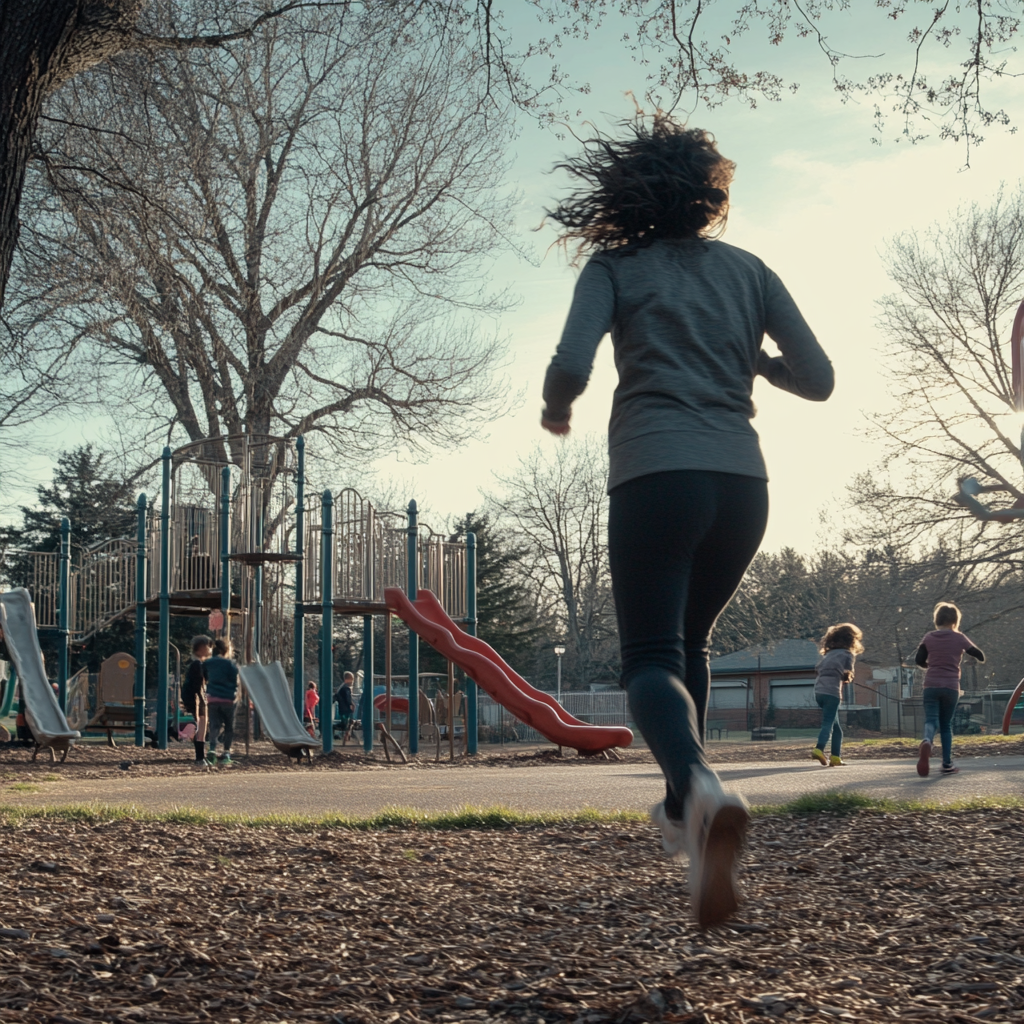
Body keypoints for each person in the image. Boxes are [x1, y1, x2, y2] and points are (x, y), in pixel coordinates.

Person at [541, 115, 834, 928]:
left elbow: (571, 364)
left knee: (647, 657)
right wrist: (755, 363)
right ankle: (688, 815)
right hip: (743, 485)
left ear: (629, 195)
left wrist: (554, 409)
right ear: (709, 200)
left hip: (656, 476)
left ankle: (698, 786)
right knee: (690, 645)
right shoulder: (750, 272)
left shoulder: (616, 267)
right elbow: (819, 379)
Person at [914, 603, 984, 777]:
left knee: (931, 719)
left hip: (931, 685)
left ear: (937, 619)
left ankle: (927, 740)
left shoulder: (929, 637)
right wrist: (970, 658)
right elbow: (979, 654)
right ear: (955, 620)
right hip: (951, 687)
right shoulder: (959, 637)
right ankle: (946, 764)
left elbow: (919, 659)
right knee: (946, 725)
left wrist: (928, 664)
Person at [811, 623, 863, 767]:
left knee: (837, 727)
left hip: (819, 692)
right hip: (832, 693)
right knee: (828, 724)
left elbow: (819, 669)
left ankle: (835, 757)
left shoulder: (828, 655)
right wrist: (847, 678)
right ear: (851, 641)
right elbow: (847, 674)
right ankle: (819, 749)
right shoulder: (848, 654)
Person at [203, 638, 239, 766]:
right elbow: (235, 681)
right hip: (228, 699)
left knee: (214, 725)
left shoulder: (208, 663)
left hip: (212, 698)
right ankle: (226, 753)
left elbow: (206, 677)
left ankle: (212, 750)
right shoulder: (230, 664)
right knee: (229, 727)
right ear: (227, 650)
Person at [181, 635, 212, 770]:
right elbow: (198, 684)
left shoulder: (198, 664)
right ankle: (200, 759)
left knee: (202, 728)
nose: (210, 650)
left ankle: (201, 757)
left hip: (197, 698)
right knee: (202, 728)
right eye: (209, 647)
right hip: (197, 699)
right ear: (202, 648)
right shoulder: (197, 665)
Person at [335, 671, 356, 738]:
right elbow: (348, 699)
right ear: (347, 679)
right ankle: (342, 734)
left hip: (342, 708)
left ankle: (343, 735)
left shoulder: (341, 687)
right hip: (346, 709)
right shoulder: (346, 688)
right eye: (351, 679)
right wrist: (352, 704)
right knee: (346, 722)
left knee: (345, 722)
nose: (352, 681)